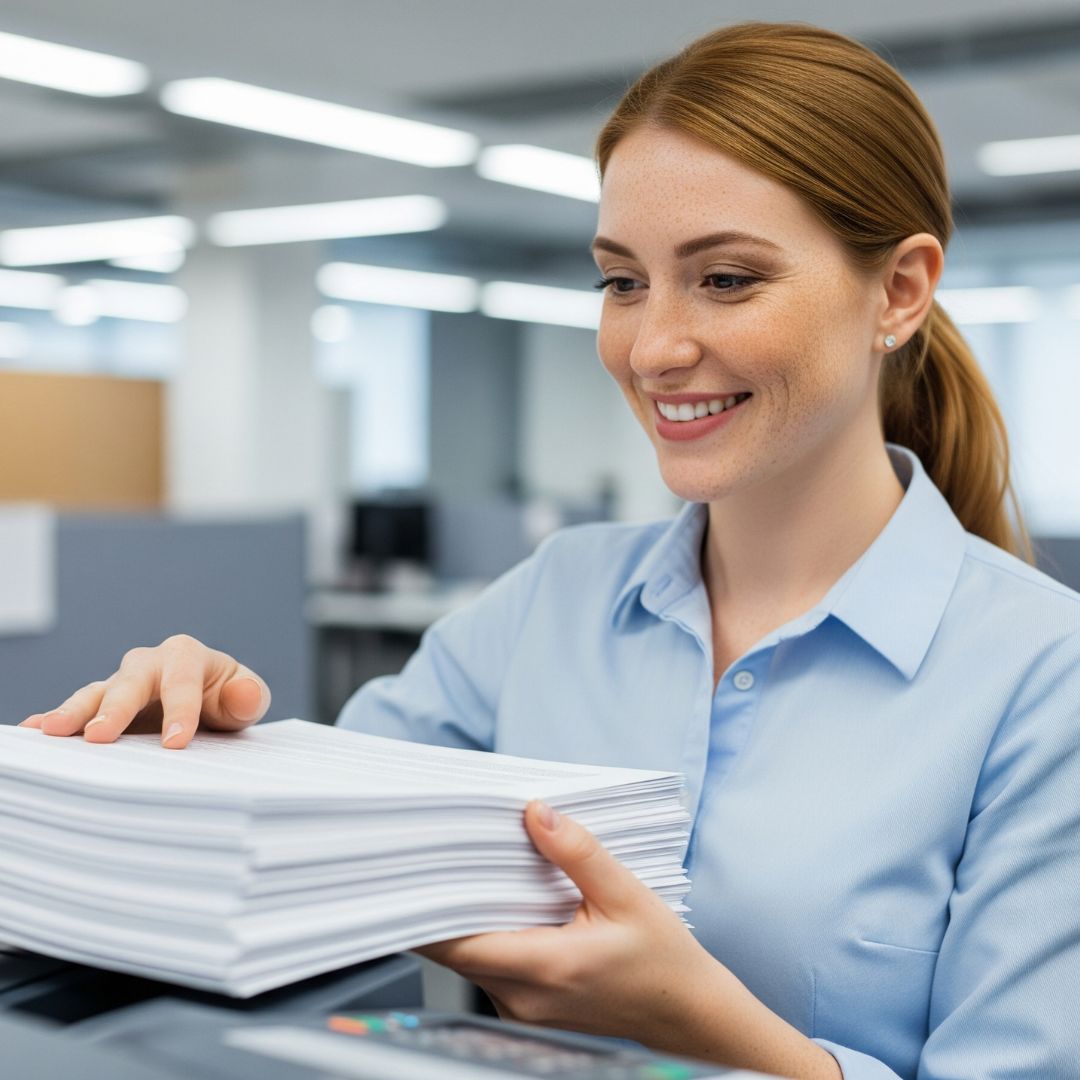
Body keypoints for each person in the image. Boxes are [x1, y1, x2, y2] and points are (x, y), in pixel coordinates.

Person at [19, 21, 1080, 1080]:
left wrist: (706, 1026)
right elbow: (321, 848)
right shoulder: (552, 600)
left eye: (725, 280)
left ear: (897, 291)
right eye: (623, 283)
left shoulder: (1042, 679)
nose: (654, 348)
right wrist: (204, 740)